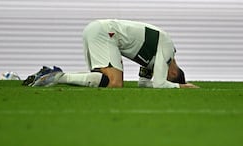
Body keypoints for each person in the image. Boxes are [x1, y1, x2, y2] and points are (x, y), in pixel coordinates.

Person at [23, 19, 199, 88]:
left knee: (103, 80)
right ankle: (56, 76)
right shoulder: (167, 50)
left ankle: (49, 75)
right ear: (173, 73)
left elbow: (144, 84)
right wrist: (181, 87)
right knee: (113, 83)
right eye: (170, 78)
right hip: (106, 33)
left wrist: (167, 84)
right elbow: (160, 83)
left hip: (99, 30)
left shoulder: (155, 57)